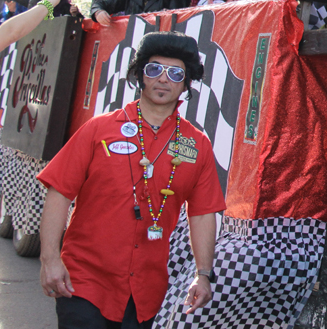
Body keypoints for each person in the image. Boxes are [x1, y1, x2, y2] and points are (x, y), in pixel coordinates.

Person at [37, 31, 226, 328]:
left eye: (175, 73)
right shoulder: (98, 129)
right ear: (140, 75)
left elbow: (202, 214)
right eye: (154, 69)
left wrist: (202, 274)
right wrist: (49, 259)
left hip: (144, 294)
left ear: (186, 82)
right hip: (83, 282)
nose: (163, 79)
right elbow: (59, 192)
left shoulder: (197, 144)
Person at [0, 0, 65, 52]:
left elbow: (11, 32)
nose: (6, 3)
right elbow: (11, 32)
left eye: (8, 0)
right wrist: (50, 1)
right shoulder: (2, 17)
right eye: (5, 0)